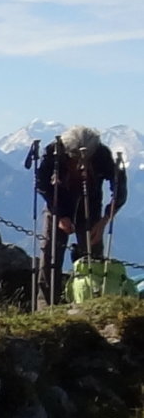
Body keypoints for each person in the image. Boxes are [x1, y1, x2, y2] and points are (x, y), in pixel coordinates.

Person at [37, 125, 129, 296]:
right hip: (58, 201)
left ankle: (92, 296)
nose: (80, 165)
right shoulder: (54, 153)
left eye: (86, 160)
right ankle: (47, 301)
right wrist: (59, 215)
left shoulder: (102, 155)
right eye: (75, 159)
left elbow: (119, 189)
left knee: (93, 254)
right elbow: (42, 184)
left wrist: (104, 222)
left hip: (90, 205)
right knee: (50, 253)